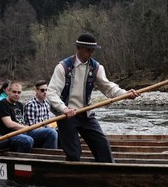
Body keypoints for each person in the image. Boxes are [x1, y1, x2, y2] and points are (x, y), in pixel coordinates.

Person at [47, 33, 140, 162]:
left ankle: (108, 172)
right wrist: (64, 109)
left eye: (92, 50)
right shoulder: (63, 67)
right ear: (79, 48)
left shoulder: (96, 67)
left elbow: (108, 87)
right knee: (74, 153)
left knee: (102, 146)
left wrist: (125, 94)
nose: (90, 53)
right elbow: (51, 92)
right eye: (88, 50)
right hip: (66, 115)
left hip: (86, 113)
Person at [0, 81, 58, 153]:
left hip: (21, 132)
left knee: (51, 133)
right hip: (8, 135)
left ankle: (48, 158)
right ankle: (23, 161)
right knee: (27, 140)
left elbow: (21, 121)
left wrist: (26, 127)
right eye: (14, 92)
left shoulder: (19, 105)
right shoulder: (2, 104)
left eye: (19, 92)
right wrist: (26, 128)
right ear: (8, 91)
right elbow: (9, 124)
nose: (16, 94)